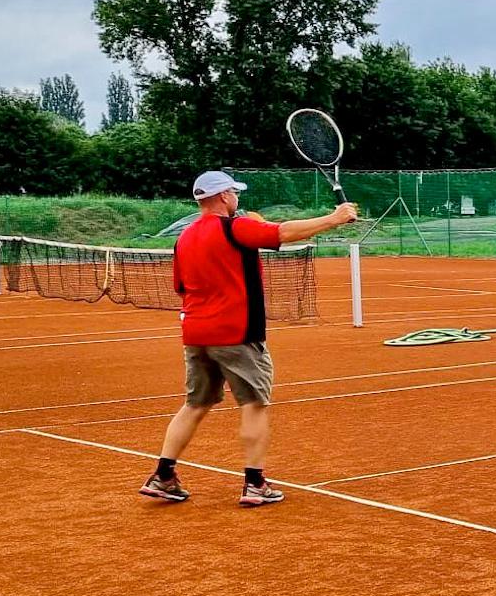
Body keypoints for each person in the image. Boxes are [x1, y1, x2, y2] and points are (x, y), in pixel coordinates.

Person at [139, 172, 357, 506]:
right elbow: (283, 233)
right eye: (234, 193)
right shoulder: (234, 228)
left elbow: (181, 287)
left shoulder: (185, 237)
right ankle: (255, 483)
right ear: (224, 196)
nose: (237, 199)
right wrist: (335, 218)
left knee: (195, 404)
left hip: (196, 333)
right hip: (237, 332)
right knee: (254, 404)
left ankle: (163, 475)